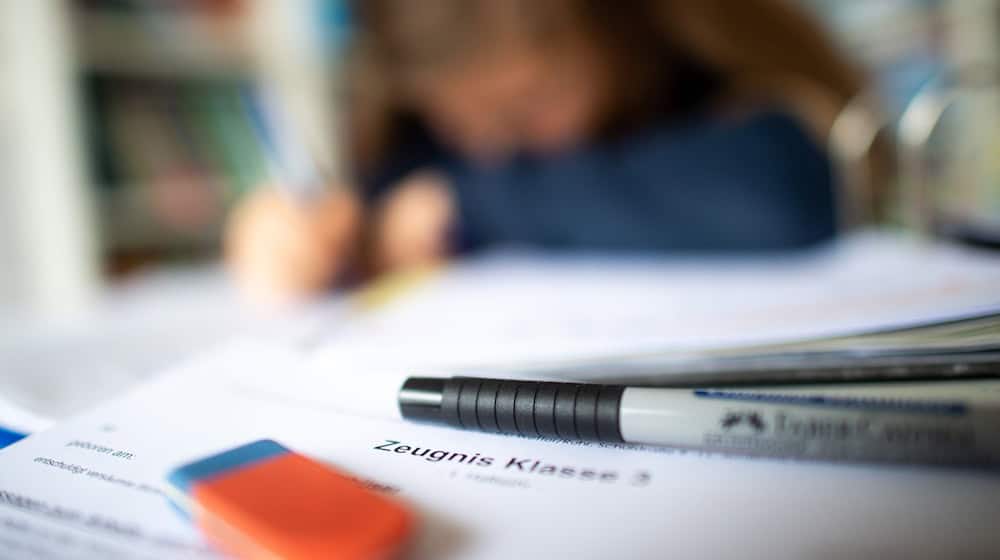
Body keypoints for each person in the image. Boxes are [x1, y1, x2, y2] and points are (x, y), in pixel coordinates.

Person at [226, 0, 869, 302]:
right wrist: (306, 236)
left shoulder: (705, 75)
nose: (500, 148)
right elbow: (385, 202)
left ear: (618, 24)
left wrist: (466, 204)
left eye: (530, 103)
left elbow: (783, 193)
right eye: (465, 121)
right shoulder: (424, 126)